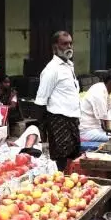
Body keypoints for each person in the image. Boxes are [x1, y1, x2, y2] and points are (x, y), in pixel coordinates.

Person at [36, 31, 81, 171]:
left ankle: (68, 180)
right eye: (64, 44)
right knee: (61, 156)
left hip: (73, 118)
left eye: (70, 43)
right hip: (58, 119)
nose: (69, 47)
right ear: (55, 47)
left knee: (73, 154)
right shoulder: (51, 69)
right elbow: (41, 101)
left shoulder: (69, 66)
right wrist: (43, 131)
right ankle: (59, 179)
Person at [79, 68, 111, 142]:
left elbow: (110, 106)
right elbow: (104, 121)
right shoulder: (99, 93)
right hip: (87, 131)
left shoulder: (103, 88)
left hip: (95, 128)